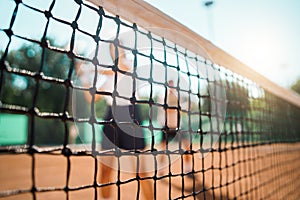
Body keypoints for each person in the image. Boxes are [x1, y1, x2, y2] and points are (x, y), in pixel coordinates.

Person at [78, 40, 153, 199]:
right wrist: (84, 76)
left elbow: (119, 69)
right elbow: (92, 98)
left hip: (131, 115)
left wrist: (91, 68)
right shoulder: (108, 77)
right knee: (105, 170)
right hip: (111, 117)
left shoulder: (129, 65)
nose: (116, 51)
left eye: (119, 48)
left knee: (141, 171)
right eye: (113, 49)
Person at [158, 80, 192, 176]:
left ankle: (188, 168)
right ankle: (161, 169)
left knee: (187, 147)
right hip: (166, 127)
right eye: (170, 85)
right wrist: (179, 107)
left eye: (172, 85)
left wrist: (185, 107)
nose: (171, 87)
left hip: (178, 126)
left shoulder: (178, 96)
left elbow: (184, 107)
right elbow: (167, 109)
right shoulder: (163, 96)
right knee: (163, 149)